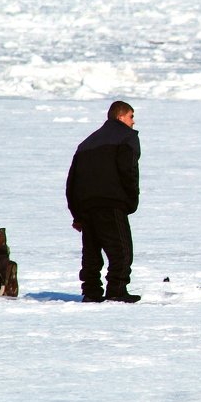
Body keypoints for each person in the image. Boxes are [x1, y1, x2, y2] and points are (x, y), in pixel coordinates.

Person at [66, 100, 142, 303]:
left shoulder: (86, 143)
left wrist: (77, 214)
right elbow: (128, 171)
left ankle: (91, 292)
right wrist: (131, 200)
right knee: (122, 251)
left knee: (91, 254)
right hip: (111, 204)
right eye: (131, 116)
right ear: (120, 117)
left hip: (87, 208)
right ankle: (116, 290)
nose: (133, 122)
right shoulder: (127, 137)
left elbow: (72, 182)